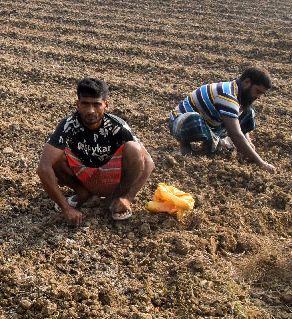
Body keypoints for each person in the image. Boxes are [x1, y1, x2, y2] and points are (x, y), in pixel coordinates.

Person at [38, 77, 154, 225]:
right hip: (82, 175)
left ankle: (117, 198)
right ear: (78, 104)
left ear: (106, 105)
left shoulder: (117, 126)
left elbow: (149, 163)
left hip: (112, 178)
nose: (90, 110)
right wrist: (65, 208)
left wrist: (128, 197)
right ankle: (82, 193)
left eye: (96, 104)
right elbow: (43, 168)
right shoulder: (68, 125)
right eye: (85, 104)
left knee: (134, 149)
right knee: (54, 153)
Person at [169, 66, 276, 172]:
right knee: (194, 119)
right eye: (257, 91)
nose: (259, 97)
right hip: (179, 123)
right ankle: (185, 148)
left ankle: (211, 144)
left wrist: (248, 142)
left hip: (211, 125)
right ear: (247, 82)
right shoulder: (227, 95)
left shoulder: (239, 94)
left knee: (248, 112)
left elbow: (240, 120)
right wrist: (261, 163)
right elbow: (235, 134)